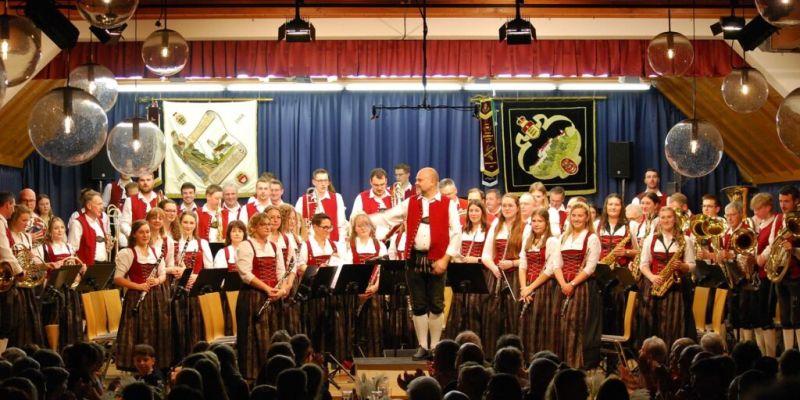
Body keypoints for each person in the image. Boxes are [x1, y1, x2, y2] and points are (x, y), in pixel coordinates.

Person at [371, 167, 461, 361]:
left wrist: (445, 259)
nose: (417, 183)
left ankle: (435, 347)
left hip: (437, 259)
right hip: (414, 258)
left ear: (432, 181)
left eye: (420, 180)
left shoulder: (448, 204)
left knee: (436, 304)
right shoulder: (411, 202)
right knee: (418, 304)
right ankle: (423, 346)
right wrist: (365, 219)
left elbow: (456, 233)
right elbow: (388, 217)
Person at [235, 212, 288, 380]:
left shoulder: (274, 246)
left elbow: (281, 272)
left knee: (273, 334)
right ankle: (253, 375)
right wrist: (267, 288)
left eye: (269, 224)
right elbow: (245, 274)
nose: (268, 227)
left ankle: (274, 373)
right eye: (263, 224)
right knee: (254, 337)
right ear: (254, 227)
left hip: (273, 297)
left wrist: (282, 290)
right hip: (253, 297)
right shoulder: (246, 246)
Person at [114, 220, 172, 371]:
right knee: (139, 331)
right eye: (141, 232)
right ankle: (137, 367)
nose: (145, 235)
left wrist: (157, 280)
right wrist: (138, 286)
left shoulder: (156, 252)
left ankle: (156, 366)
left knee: (157, 329)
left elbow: (163, 274)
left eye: (147, 232)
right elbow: (118, 278)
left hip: (156, 298)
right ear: (134, 234)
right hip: (136, 298)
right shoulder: (128, 253)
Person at [638, 206, 697, 349]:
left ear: (675, 219)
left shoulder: (685, 240)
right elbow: (643, 264)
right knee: (652, 322)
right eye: (663, 217)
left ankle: (672, 353)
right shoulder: (650, 239)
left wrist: (682, 266)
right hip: (654, 285)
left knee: (673, 324)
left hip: (676, 288)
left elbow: (692, 265)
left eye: (669, 217)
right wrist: (652, 277)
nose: (666, 220)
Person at [554, 201, 602, 368]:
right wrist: (563, 284)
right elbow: (556, 264)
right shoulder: (563, 237)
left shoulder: (592, 238)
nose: (576, 218)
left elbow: (590, 268)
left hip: (581, 287)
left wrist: (572, 284)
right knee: (560, 322)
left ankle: (575, 363)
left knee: (575, 323)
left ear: (587, 217)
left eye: (580, 215)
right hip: (562, 286)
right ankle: (562, 362)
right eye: (574, 215)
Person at [480, 193, 524, 358]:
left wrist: (512, 263)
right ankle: (492, 354)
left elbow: (528, 258)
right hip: (496, 275)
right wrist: (494, 268)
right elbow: (486, 255)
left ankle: (515, 355)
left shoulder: (525, 227)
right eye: (504, 205)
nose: (506, 209)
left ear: (517, 208)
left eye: (510, 205)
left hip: (515, 276)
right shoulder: (496, 226)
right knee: (493, 316)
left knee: (513, 315)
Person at [518, 208, 562, 363]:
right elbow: (522, 265)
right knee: (527, 324)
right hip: (527, 287)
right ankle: (526, 360)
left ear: (547, 223)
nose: (536, 224)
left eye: (540, 221)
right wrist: (524, 288)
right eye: (534, 221)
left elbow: (550, 269)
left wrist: (531, 288)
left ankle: (541, 360)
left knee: (541, 323)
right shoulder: (528, 240)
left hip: (544, 288)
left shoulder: (552, 241)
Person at [298, 213, 344, 358]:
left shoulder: (335, 245)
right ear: (315, 227)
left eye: (330, 227)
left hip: (331, 291)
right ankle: (314, 356)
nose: (328, 230)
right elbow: (300, 266)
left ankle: (330, 357)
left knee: (331, 326)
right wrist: (318, 270)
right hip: (314, 292)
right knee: (315, 325)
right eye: (325, 227)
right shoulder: (306, 245)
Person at [342, 212, 387, 357]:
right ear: (354, 228)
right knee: (356, 326)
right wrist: (359, 291)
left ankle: (375, 356)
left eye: (366, 224)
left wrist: (376, 287)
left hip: (375, 290)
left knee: (374, 325)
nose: (363, 228)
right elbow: (347, 270)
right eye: (359, 225)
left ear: (371, 227)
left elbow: (383, 269)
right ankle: (356, 358)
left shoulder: (379, 245)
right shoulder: (348, 245)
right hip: (356, 291)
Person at [39, 217, 85, 349]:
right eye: (56, 228)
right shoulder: (46, 248)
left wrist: (81, 269)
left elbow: (75, 265)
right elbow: (44, 269)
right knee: (57, 319)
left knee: (71, 319)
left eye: (62, 227)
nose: (59, 230)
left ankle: (72, 347)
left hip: (69, 288)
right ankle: (56, 348)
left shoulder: (69, 246)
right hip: (55, 289)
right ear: (50, 231)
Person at [173, 211, 213, 361]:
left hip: (197, 288)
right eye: (185, 222)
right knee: (181, 324)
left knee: (197, 324)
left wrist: (196, 277)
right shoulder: (175, 242)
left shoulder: (202, 243)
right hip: (180, 287)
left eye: (191, 223)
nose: (188, 226)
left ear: (196, 225)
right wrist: (183, 274)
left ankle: (198, 356)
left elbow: (209, 267)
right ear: (180, 223)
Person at [597, 194, 638, 336]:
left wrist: (626, 252)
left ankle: (619, 340)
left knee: (619, 309)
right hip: (602, 273)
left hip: (620, 276)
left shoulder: (630, 226)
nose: (613, 207)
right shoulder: (597, 225)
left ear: (622, 207)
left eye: (617, 204)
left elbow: (638, 252)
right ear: (605, 207)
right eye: (610, 204)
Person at [6, 205, 46, 347]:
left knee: (30, 318)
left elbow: (31, 258)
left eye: (28, 220)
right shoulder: (8, 235)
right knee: (18, 319)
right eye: (23, 220)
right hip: (14, 283)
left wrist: (46, 265)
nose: (27, 224)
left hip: (27, 283)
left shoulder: (26, 236)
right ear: (14, 219)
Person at [446, 200, 488, 338]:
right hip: (462, 271)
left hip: (480, 272)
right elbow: (455, 249)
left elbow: (490, 254)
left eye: (477, 210)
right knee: (459, 306)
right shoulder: (462, 230)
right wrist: (458, 258)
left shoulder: (487, 230)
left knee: (475, 307)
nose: (473, 214)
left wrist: (477, 259)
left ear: (482, 212)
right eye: (471, 211)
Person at [749, 192, 778, 357]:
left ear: (768, 207)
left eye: (758, 209)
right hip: (758, 274)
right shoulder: (760, 224)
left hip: (768, 274)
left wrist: (761, 257)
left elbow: (771, 245)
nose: (755, 212)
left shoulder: (774, 222)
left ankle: (770, 356)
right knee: (757, 317)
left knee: (766, 317)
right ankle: (762, 354)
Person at [771, 185, 800, 350]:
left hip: (797, 275)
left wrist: (794, 249)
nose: (782, 205)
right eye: (780, 201)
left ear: (796, 201)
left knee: (798, 318)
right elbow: (772, 243)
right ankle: (788, 355)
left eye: (786, 201)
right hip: (781, 273)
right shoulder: (778, 219)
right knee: (785, 318)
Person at [295, 169, 348, 242]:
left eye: (325, 181)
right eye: (320, 181)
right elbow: (296, 224)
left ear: (328, 182)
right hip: (310, 243)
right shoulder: (302, 200)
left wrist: (341, 243)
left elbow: (342, 225)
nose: (323, 184)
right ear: (314, 182)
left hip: (332, 242)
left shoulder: (337, 198)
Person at [0, 192, 21, 349]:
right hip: (4, 276)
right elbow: (4, 250)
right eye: (13, 206)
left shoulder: (3, 222)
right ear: (8, 205)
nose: (14, 210)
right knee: (5, 321)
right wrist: (19, 270)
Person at [68, 190, 110, 267]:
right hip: (87, 268)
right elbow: (72, 250)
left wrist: (106, 245)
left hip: (103, 265)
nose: (102, 208)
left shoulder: (99, 222)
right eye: (99, 204)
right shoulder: (77, 223)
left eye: (102, 204)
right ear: (89, 206)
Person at [351, 168, 393, 240]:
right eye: (376, 185)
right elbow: (354, 220)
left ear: (386, 181)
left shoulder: (394, 196)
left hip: (392, 239)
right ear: (370, 182)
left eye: (382, 184)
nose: (379, 188)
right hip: (369, 240)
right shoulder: (361, 197)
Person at [121, 172, 160, 242]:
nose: (145, 183)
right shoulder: (130, 200)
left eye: (148, 180)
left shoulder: (161, 199)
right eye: (142, 180)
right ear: (138, 183)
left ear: (153, 182)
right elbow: (124, 223)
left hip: (158, 241)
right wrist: (134, 235)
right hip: (137, 243)